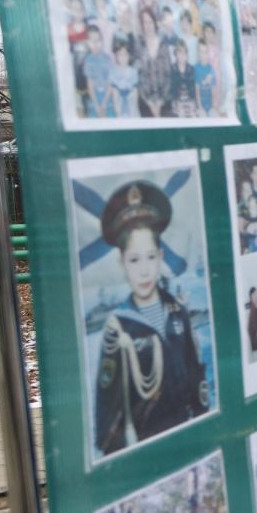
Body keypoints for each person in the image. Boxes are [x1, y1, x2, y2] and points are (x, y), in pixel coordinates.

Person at [93, 181, 208, 452]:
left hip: (189, 439)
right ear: (122, 263)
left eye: (150, 257)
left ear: (160, 257)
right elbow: (108, 416)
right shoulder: (119, 330)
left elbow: (196, 379)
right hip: (149, 446)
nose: (144, 271)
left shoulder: (178, 313)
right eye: (134, 260)